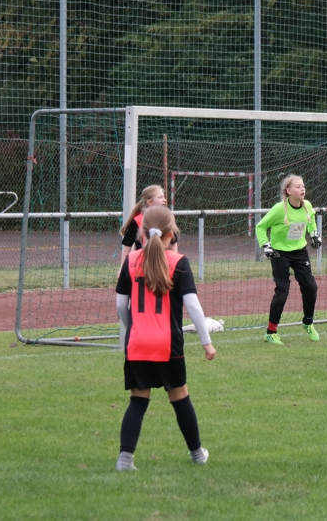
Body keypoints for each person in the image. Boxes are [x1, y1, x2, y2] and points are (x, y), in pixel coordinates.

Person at [113, 205, 216, 471]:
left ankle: (125, 459)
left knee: (138, 401)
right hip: (168, 345)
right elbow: (193, 305)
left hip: (137, 344)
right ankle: (197, 454)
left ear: (142, 235)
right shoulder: (179, 262)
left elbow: (121, 305)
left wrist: (133, 327)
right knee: (180, 398)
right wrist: (206, 342)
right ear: (172, 234)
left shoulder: (130, 261)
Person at [255, 174, 322, 344]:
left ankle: (308, 323)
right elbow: (260, 227)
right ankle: (271, 332)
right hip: (280, 253)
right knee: (282, 291)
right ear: (288, 191)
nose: (302, 189)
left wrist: (314, 234)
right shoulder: (279, 209)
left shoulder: (307, 206)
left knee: (310, 287)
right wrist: (266, 245)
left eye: (303, 186)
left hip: (299, 251)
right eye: (298, 187)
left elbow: (311, 219)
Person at [119, 185, 177, 269]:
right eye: (160, 197)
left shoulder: (167, 219)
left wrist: (174, 264)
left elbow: (173, 242)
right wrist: (122, 268)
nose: (164, 199)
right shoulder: (137, 221)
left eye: (163, 197)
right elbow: (127, 245)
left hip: (163, 264)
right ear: (149, 202)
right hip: (142, 265)